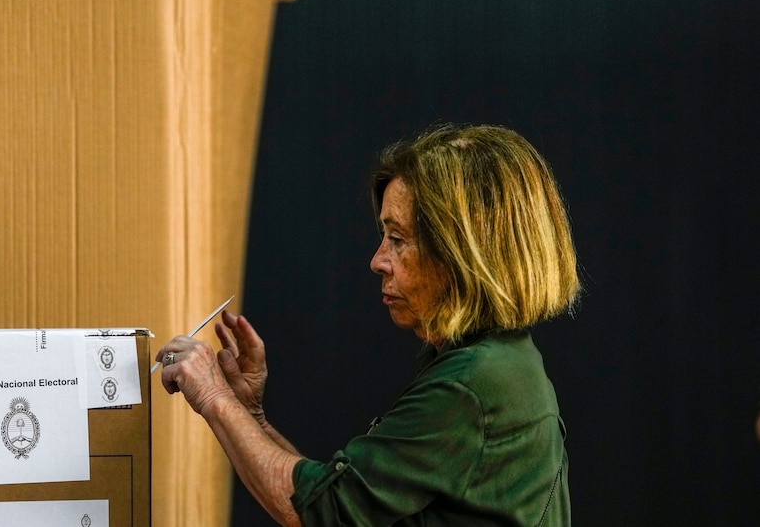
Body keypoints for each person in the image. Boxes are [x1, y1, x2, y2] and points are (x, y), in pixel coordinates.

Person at [156, 123, 581, 526]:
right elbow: (337, 501)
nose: (378, 261)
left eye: (398, 239)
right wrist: (251, 417)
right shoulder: (495, 364)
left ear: (462, 254)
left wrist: (214, 396)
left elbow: (321, 513)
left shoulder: (472, 385)